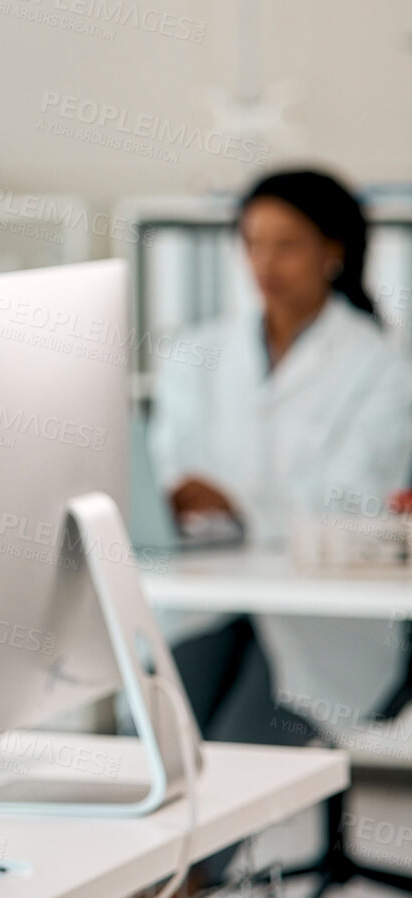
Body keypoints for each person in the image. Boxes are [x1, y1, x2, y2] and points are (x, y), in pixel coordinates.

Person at [151, 169, 412, 745]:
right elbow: (169, 466)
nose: (264, 264)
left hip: (322, 615)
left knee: (236, 758)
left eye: (287, 245)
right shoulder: (196, 352)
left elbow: (358, 498)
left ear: (333, 250)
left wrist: (239, 504)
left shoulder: (382, 368)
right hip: (212, 598)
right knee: (157, 744)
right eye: (251, 243)